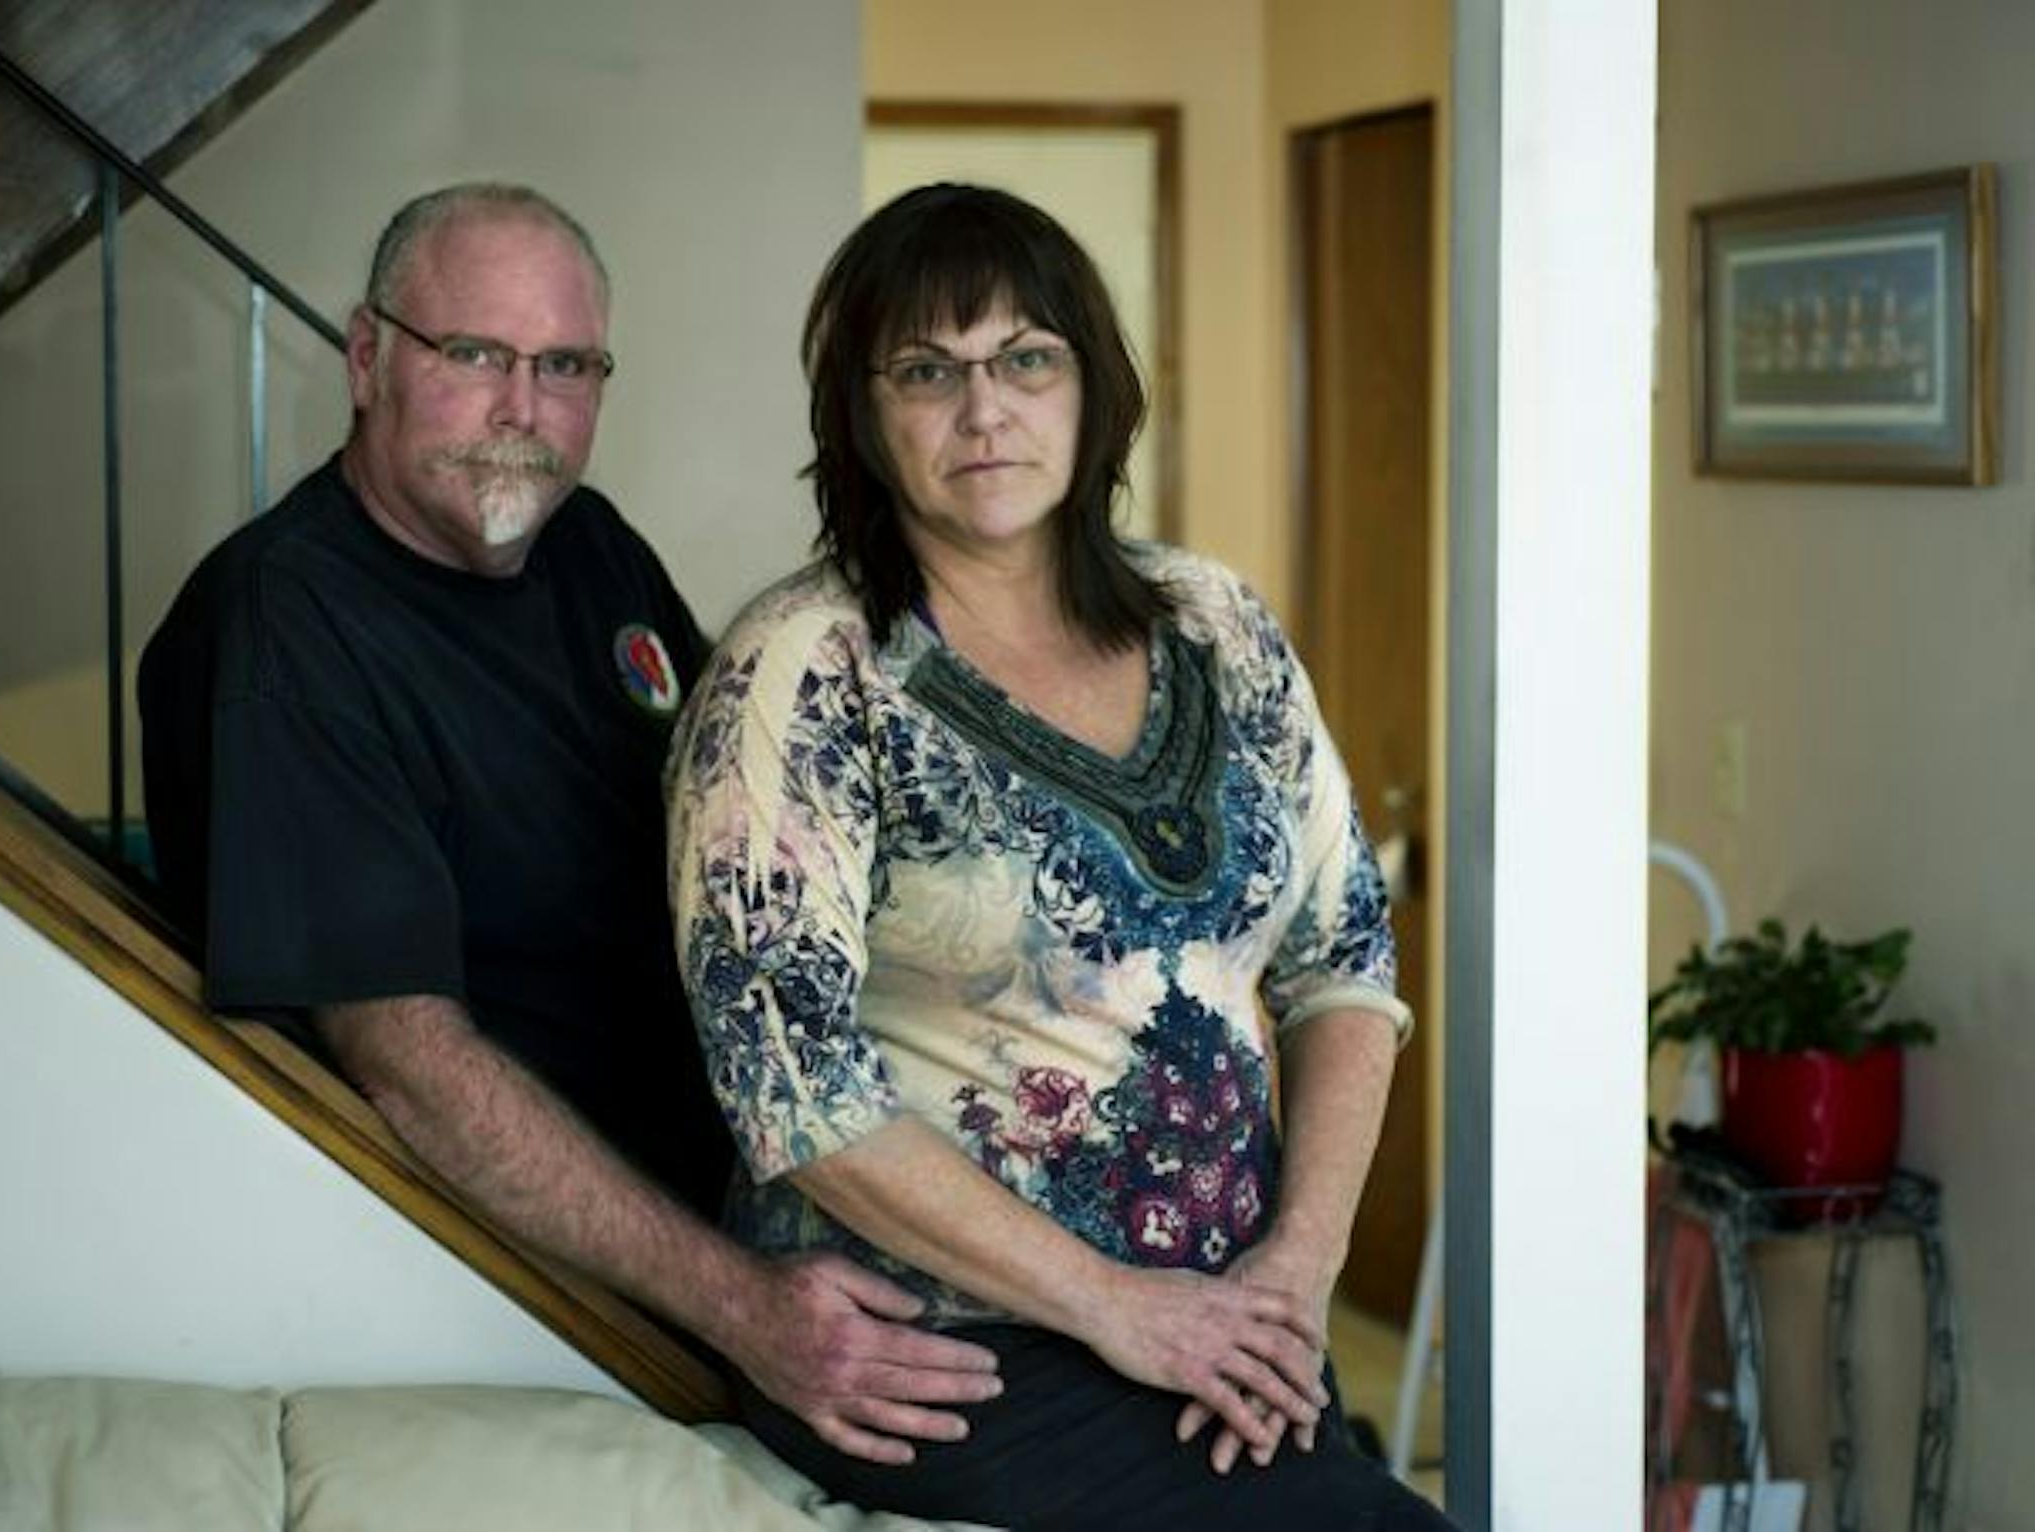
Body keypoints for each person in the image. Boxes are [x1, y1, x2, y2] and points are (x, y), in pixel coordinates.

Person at [138, 182, 1002, 1466]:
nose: (522, 412)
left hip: (767, 1176)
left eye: (565, 366)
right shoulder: (286, 625)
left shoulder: (583, 541)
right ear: (368, 357)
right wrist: (746, 1307)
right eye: (474, 354)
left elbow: (756, 828)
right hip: (566, 1291)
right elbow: (412, 1071)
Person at [667, 183, 1458, 1529]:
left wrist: (1295, 1274)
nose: (986, 412)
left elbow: (1346, 960)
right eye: (929, 370)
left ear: (1094, 388)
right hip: (947, 1353)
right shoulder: (806, 671)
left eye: (1027, 358)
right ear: (862, 416)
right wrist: (1123, 1312)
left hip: (1222, 1322)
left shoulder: (1216, 622)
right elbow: (788, 1082)